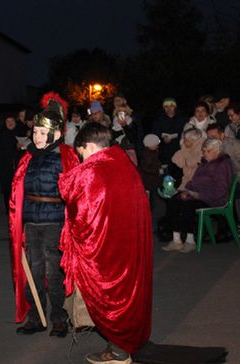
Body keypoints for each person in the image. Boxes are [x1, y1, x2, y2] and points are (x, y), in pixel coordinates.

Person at [59, 122, 152, 364]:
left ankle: (119, 352)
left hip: (107, 250)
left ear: (88, 146)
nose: (81, 158)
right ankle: (123, 344)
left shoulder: (93, 170)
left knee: (112, 298)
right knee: (128, 294)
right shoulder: (124, 163)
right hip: (130, 244)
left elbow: (79, 210)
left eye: (80, 152)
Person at [9, 92, 79, 338]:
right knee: (33, 270)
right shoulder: (27, 157)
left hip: (54, 221)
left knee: (53, 271)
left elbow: (75, 190)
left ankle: (59, 318)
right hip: (31, 221)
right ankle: (36, 316)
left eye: (41, 133)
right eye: (35, 132)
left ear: (56, 134)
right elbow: (17, 189)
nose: (36, 136)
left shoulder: (66, 156)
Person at [161, 138, 234, 253]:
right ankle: (176, 239)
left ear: (217, 151)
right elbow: (194, 181)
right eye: (203, 151)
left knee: (188, 205)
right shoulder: (205, 163)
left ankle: (190, 241)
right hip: (197, 194)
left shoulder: (222, 164)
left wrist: (199, 195)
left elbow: (220, 190)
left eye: (207, 151)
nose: (204, 154)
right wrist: (187, 191)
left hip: (212, 198)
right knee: (174, 200)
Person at [151, 97, 185, 180]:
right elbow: (154, 136)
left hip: (179, 152)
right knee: (166, 176)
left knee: (179, 176)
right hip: (164, 154)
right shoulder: (158, 120)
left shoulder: (183, 119)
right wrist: (162, 140)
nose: (169, 109)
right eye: (166, 106)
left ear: (175, 107)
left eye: (171, 106)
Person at [0, 115, 21, 211]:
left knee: (19, 187)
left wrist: (20, 148)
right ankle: (9, 208)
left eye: (12, 120)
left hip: (19, 164)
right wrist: (2, 157)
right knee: (7, 187)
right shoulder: (0, 135)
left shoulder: (20, 133)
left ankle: (19, 208)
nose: (10, 122)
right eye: (7, 121)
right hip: (5, 165)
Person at [139, 134, 162, 203]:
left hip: (151, 179)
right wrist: (157, 171)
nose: (158, 146)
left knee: (152, 196)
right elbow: (146, 168)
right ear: (150, 145)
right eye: (156, 145)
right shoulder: (148, 155)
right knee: (150, 197)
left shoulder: (152, 152)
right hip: (148, 180)